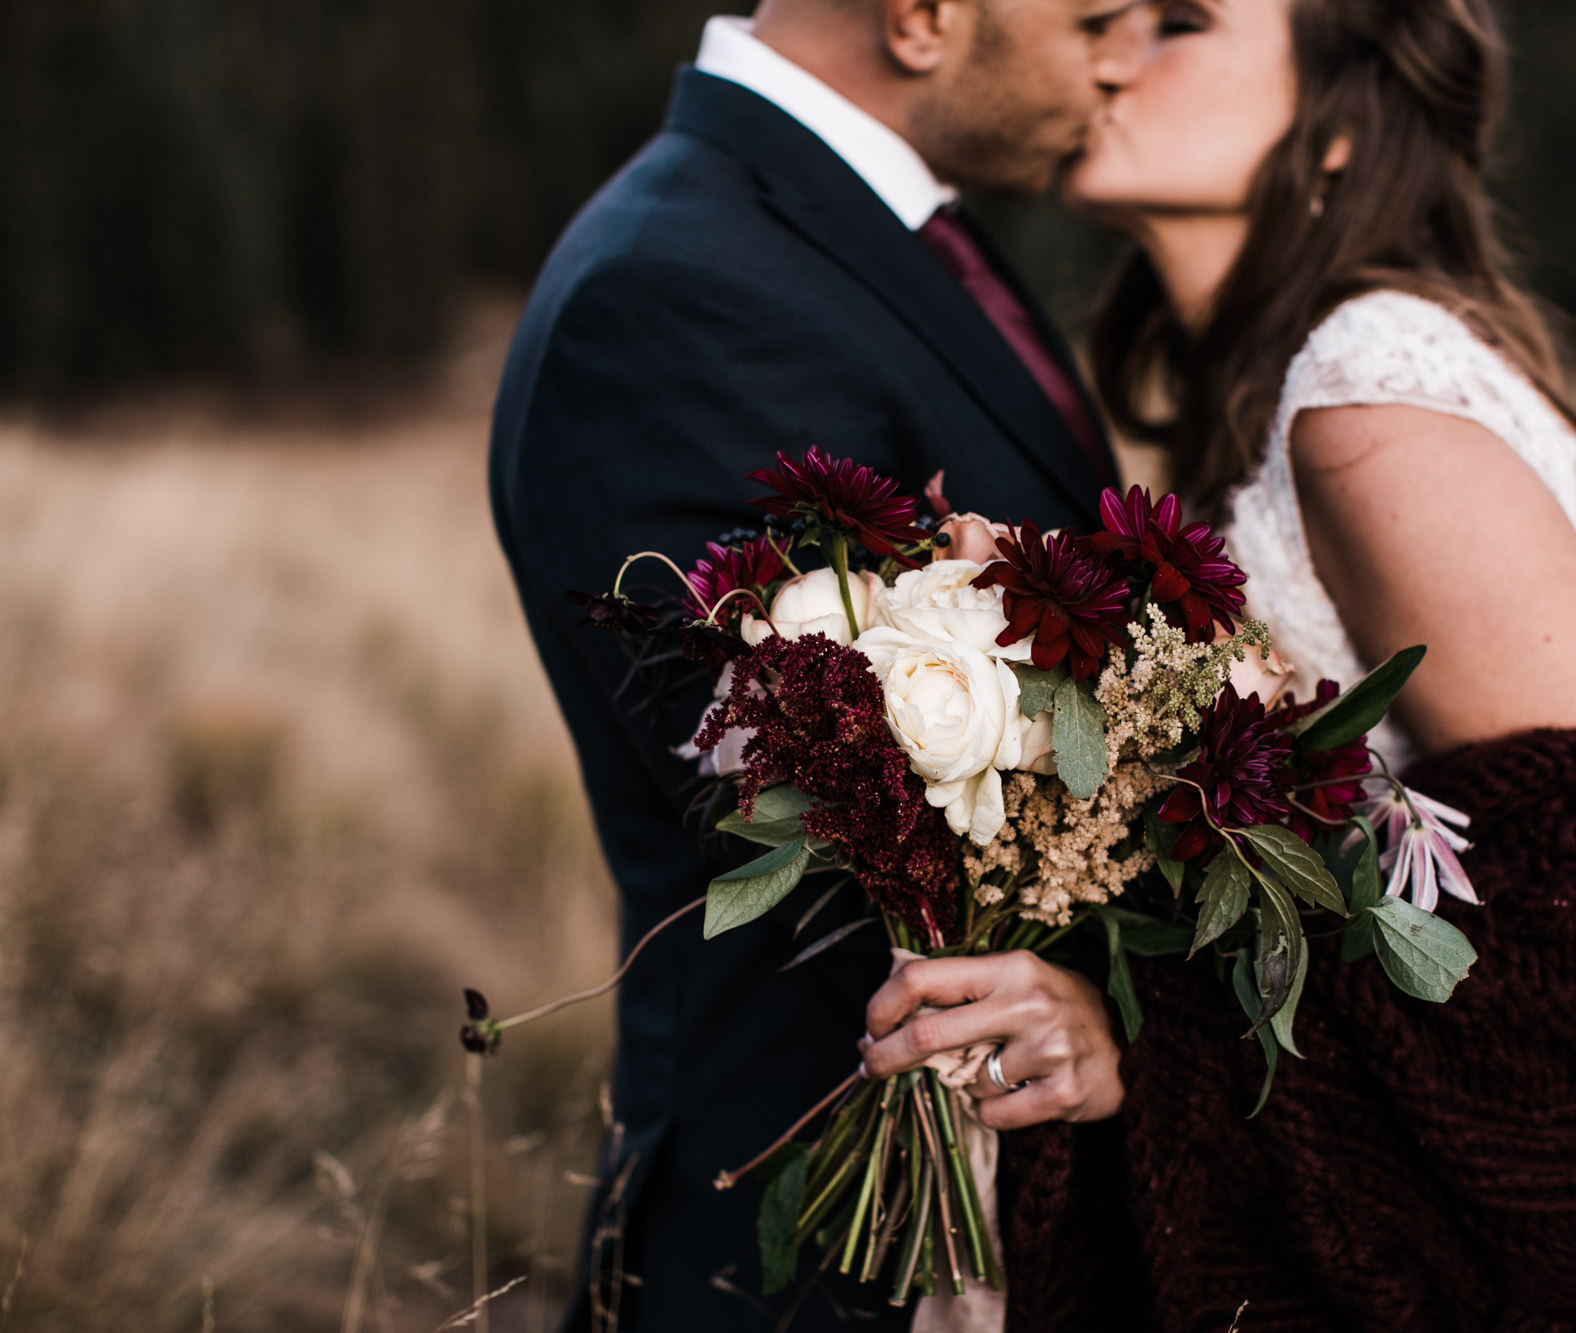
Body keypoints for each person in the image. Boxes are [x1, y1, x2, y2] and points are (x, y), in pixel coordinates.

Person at [860, 0, 1576, 1327]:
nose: (1114, 43)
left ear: (1338, 134)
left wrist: (1140, 1037)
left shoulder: (1372, 397)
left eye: (1183, 21)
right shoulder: (1278, 402)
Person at [486, 1, 1147, 1327]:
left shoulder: (894, 239)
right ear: (922, 17)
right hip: (817, 1242)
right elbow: (815, 811)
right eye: (1096, 17)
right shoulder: (672, 287)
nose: (1126, 56)